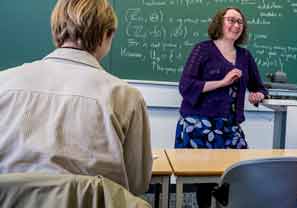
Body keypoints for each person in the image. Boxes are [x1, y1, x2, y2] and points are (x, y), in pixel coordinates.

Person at [0, 0, 152, 196]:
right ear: (107, 35)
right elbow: (137, 183)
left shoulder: (3, 84)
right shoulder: (126, 97)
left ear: (55, 30)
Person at [175, 7, 267, 207]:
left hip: (229, 125)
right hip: (198, 123)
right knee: (206, 181)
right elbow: (186, 86)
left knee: (240, 171)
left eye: (239, 22)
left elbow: (259, 87)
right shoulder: (203, 50)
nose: (235, 25)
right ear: (220, 22)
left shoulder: (245, 56)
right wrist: (222, 82)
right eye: (231, 20)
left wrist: (257, 95)